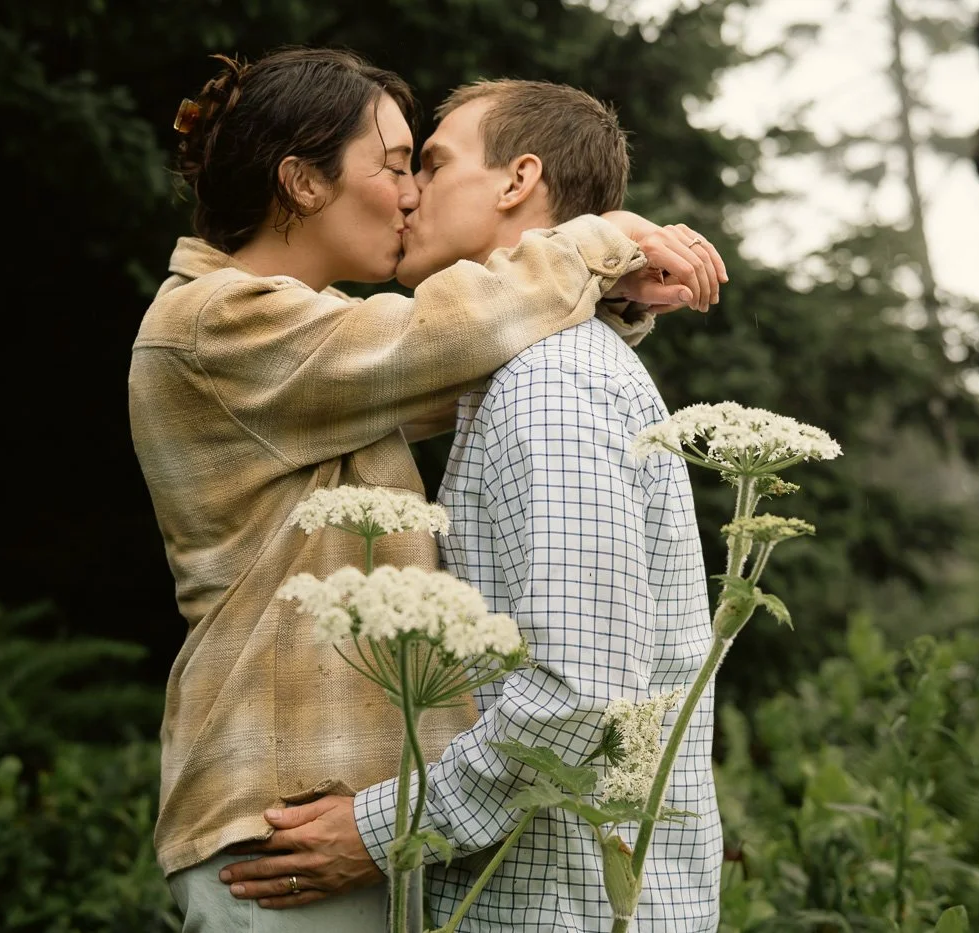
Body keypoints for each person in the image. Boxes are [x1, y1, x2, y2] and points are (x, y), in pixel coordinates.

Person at [128, 47, 727, 932]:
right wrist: (606, 245)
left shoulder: (392, 369)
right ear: (301, 181)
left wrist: (610, 297)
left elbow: (480, 366)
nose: (410, 193)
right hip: (285, 827)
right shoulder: (216, 321)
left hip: (342, 826)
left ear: (520, 181)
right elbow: (446, 340)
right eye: (398, 164)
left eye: (426, 164)